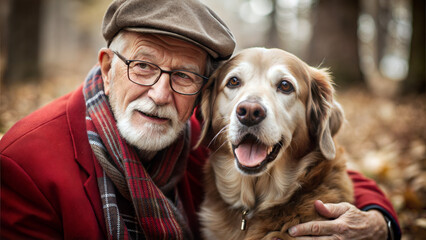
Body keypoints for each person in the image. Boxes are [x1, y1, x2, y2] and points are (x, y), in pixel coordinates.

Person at [0, 0, 401, 239]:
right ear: (107, 67)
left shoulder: (199, 134)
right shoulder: (24, 164)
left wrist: (380, 222)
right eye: (142, 66)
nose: (159, 95)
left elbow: (328, 168)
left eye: (183, 75)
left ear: (203, 96)